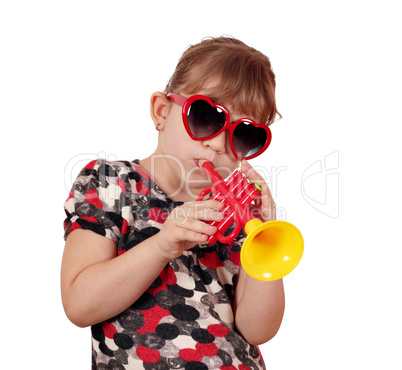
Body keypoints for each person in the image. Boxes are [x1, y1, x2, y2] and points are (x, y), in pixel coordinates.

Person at [61, 36, 285, 370]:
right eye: (206, 116)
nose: (218, 144)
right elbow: (79, 305)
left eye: (243, 134)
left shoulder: (237, 211)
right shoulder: (110, 181)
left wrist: (263, 236)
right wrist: (162, 246)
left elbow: (257, 330)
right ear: (161, 111)